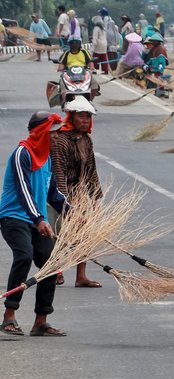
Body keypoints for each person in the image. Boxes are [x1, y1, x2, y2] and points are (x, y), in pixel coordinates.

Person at [0, 112, 67, 337]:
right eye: (52, 133)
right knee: (24, 256)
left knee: (49, 264)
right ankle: (9, 316)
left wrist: (74, 212)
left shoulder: (46, 157)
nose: (56, 138)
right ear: (39, 133)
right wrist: (38, 218)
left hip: (38, 221)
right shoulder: (22, 154)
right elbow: (23, 191)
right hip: (14, 217)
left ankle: (41, 321)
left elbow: (53, 193)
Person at [49, 97, 103, 288]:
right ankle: (56, 271)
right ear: (71, 117)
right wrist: (67, 206)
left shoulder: (86, 140)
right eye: (81, 116)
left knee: (84, 234)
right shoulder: (60, 141)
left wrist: (95, 197)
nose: (85, 120)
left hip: (79, 192)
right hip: (59, 194)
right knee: (59, 234)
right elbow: (58, 173)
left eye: (88, 117)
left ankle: (81, 276)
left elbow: (90, 170)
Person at [142, 32, 169, 97]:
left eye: (154, 41)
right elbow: (151, 59)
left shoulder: (161, 48)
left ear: (157, 41)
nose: (153, 42)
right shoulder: (154, 49)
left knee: (159, 79)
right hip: (154, 67)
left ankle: (160, 93)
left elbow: (162, 59)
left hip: (159, 67)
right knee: (156, 79)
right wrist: (147, 65)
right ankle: (158, 92)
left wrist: (161, 65)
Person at [100, 8, 119, 72]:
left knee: (109, 51)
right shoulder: (111, 19)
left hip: (108, 35)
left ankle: (113, 68)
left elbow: (105, 28)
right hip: (113, 35)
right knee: (114, 51)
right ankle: (115, 68)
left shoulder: (105, 19)